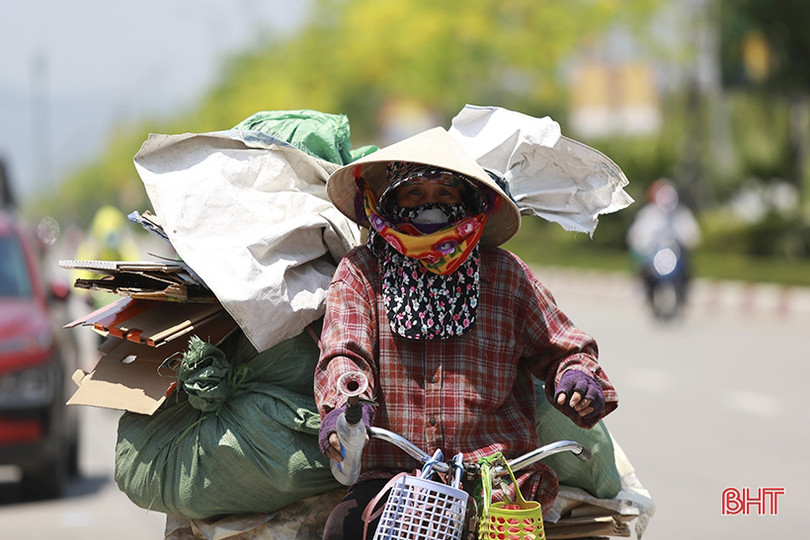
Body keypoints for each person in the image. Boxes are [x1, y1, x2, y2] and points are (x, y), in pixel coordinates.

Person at [314, 127, 618, 539]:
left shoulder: (506, 274)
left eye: (445, 194)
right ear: (391, 201)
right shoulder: (361, 271)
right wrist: (347, 404)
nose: (431, 206)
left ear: (469, 202)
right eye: (414, 194)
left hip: (496, 480)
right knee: (343, 529)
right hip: (395, 477)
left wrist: (576, 377)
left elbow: (564, 347)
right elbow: (344, 352)